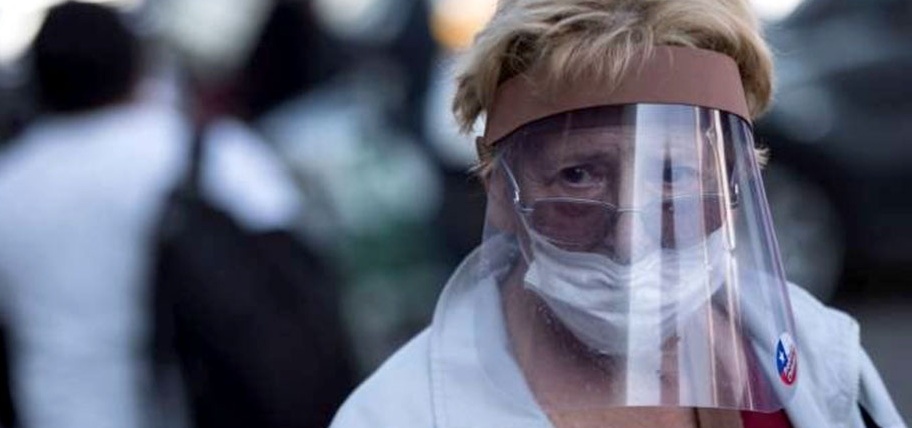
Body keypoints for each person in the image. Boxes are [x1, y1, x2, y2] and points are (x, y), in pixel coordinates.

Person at [329, 0, 907, 427]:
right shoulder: (395, 416)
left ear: (735, 177)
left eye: (673, 173)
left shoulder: (817, 358)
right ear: (499, 188)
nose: (633, 239)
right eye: (577, 175)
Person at [0, 3, 307, 427]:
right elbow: (294, 259)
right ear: (135, 65)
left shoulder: (10, 185)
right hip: (196, 410)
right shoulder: (201, 152)